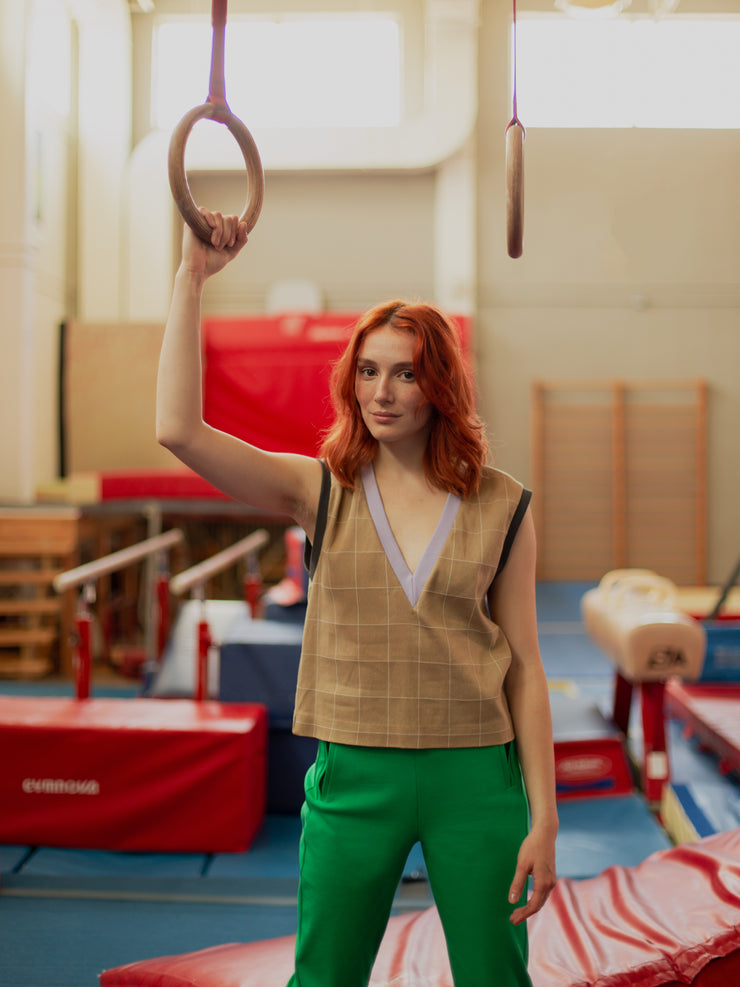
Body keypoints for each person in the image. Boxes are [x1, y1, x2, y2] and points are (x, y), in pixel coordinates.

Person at [157, 210, 558, 987]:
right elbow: (179, 430)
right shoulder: (320, 489)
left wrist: (544, 815)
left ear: (440, 385)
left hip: (477, 776)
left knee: (496, 978)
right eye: (369, 371)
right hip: (355, 772)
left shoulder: (503, 503)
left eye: (405, 373)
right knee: (325, 977)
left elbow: (527, 666)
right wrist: (191, 276)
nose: (383, 391)